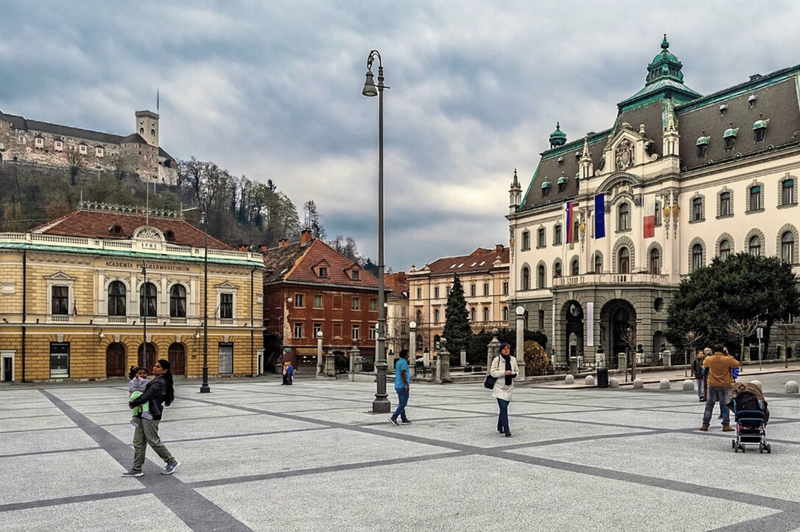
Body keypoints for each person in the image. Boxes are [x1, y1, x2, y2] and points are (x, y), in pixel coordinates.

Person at [123, 359, 180, 476]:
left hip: (151, 414)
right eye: (154, 365)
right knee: (138, 441)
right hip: (142, 413)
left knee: (152, 440)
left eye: (158, 366)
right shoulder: (156, 380)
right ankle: (136, 468)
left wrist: (133, 403)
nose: (154, 368)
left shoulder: (159, 383)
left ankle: (171, 461)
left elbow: (146, 396)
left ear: (164, 370)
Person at [700, 346, 740, 432]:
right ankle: (726, 425)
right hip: (724, 385)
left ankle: (705, 424)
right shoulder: (727, 359)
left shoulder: (709, 359)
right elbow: (736, 364)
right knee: (725, 405)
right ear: (723, 351)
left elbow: (704, 364)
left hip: (712, 384)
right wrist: (728, 354)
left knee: (709, 405)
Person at [490, 343, 519, 437]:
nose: (506, 350)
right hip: (499, 387)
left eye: (508, 348)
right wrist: (503, 373)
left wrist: (514, 374)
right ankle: (506, 429)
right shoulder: (497, 360)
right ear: (501, 350)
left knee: (504, 408)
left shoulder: (513, 359)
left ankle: (499, 425)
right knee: (503, 407)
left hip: (509, 387)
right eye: (504, 349)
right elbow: (493, 373)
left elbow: (517, 371)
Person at [389, 349, 411, 425]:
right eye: (408, 354)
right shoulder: (404, 363)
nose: (408, 356)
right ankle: (394, 417)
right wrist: (407, 384)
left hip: (397, 385)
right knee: (403, 403)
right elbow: (403, 373)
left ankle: (403, 418)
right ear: (405, 355)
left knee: (401, 402)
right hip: (402, 385)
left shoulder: (398, 362)